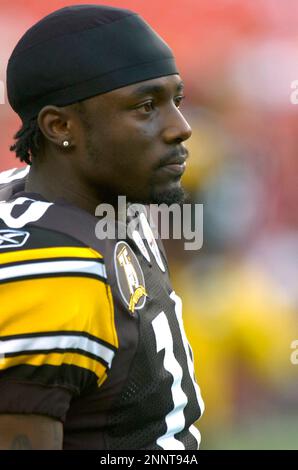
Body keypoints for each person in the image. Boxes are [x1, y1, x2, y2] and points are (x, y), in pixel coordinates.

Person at [0, 4, 204, 450]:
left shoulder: (106, 196)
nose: (181, 128)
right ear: (60, 126)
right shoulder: (53, 267)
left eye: (177, 100)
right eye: (146, 106)